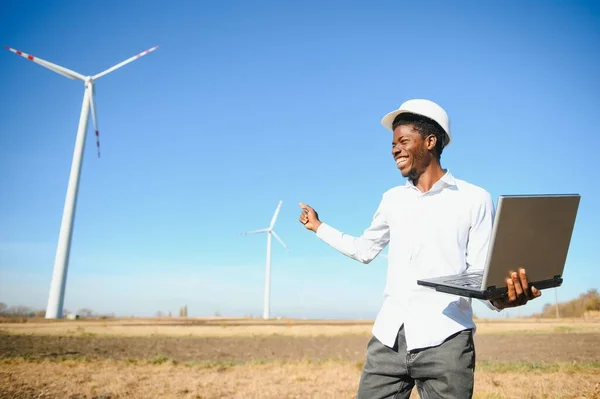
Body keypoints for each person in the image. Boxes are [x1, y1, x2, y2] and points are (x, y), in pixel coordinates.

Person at [298, 99, 541, 399]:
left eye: (403, 141)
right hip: (388, 340)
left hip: (447, 342)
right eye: (392, 143)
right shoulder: (391, 200)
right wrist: (319, 227)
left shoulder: (475, 199)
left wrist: (503, 300)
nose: (394, 149)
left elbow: (480, 275)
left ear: (430, 141)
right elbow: (364, 250)